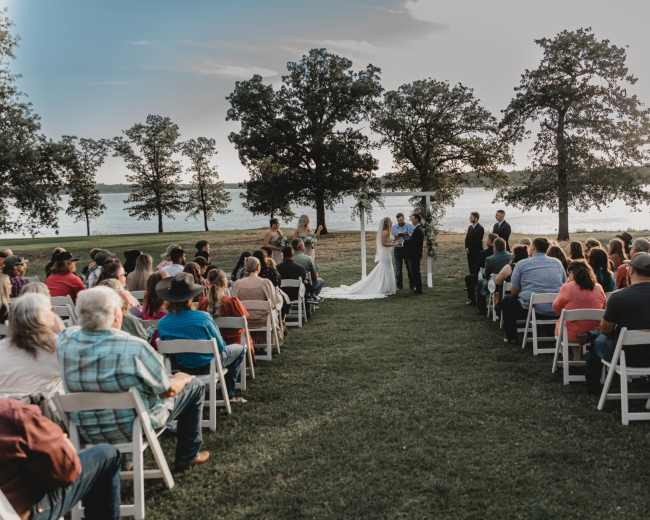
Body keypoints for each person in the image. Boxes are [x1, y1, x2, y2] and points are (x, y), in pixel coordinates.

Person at [58, 286, 210, 470]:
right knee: (195, 385)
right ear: (115, 315)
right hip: (133, 426)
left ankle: (123, 460)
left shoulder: (65, 341)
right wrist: (182, 378)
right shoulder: (134, 347)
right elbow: (167, 390)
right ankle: (188, 455)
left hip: (84, 428)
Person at [0, 398, 121, 520]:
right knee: (108, 455)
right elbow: (68, 471)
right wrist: (64, 443)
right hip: (21, 512)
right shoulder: (12, 413)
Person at [157, 273, 246, 401]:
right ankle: (229, 391)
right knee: (240, 348)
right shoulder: (203, 318)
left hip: (180, 369)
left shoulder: (162, 323)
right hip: (208, 366)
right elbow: (220, 347)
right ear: (190, 298)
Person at [585, 252, 650, 392]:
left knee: (598, 339)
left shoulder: (618, 297)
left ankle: (593, 386)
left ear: (631, 270)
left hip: (625, 356)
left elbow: (606, 329)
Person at [501, 238, 567, 343]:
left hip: (533, 309)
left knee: (507, 301)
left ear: (534, 248)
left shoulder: (522, 264)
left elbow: (514, 291)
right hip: (556, 308)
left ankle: (511, 336)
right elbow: (564, 284)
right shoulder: (557, 263)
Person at [0, 293, 65, 399]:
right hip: (45, 410)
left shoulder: (2, 347)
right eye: (51, 310)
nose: (54, 314)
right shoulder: (59, 346)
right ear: (42, 317)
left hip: (5, 410)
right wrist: (62, 333)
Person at [320, 217, 397, 300]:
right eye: (390, 221)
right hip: (385, 254)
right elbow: (384, 244)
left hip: (387, 254)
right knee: (384, 269)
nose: (392, 222)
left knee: (386, 269)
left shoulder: (387, 232)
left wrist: (393, 242)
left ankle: (386, 287)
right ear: (387, 223)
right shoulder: (385, 232)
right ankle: (383, 287)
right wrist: (394, 244)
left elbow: (387, 242)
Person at [552, 260, 606, 343]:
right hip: (593, 333)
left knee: (562, 321)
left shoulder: (568, 287)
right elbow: (603, 308)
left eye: (568, 274)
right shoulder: (598, 288)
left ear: (572, 273)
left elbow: (556, 308)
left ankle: (574, 354)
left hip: (570, 334)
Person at [206, 269, 251, 348]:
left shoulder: (203, 304)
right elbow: (244, 320)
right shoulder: (232, 302)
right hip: (233, 345)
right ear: (224, 283)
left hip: (210, 346)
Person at [464, 212, 484, 305]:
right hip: (470, 252)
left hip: (476, 252)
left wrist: (471, 248)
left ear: (476, 218)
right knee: (470, 267)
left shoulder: (480, 228)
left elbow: (477, 241)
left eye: (471, 217)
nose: (469, 218)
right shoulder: (470, 227)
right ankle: (471, 284)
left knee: (476, 268)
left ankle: (475, 284)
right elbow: (467, 238)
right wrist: (466, 247)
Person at [402, 213, 425, 294]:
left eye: (412, 218)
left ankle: (418, 289)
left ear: (416, 219)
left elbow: (415, 242)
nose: (411, 220)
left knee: (416, 271)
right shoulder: (417, 228)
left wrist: (405, 240)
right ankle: (417, 288)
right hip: (415, 253)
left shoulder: (418, 229)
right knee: (415, 271)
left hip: (415, 253)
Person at [391, 212, 414, 291]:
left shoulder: (409, 226)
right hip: (398, 249)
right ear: (397, 220)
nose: (400, 222)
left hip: (408, 249)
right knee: (398, 269)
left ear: (403, 218)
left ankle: (412, 285)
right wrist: (404, 234)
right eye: (398, 220)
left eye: (401, 220)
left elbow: (411, 236)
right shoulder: (394, 227)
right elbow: (397, 235)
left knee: (410, 268)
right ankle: (399, 286)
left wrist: (402, 235)